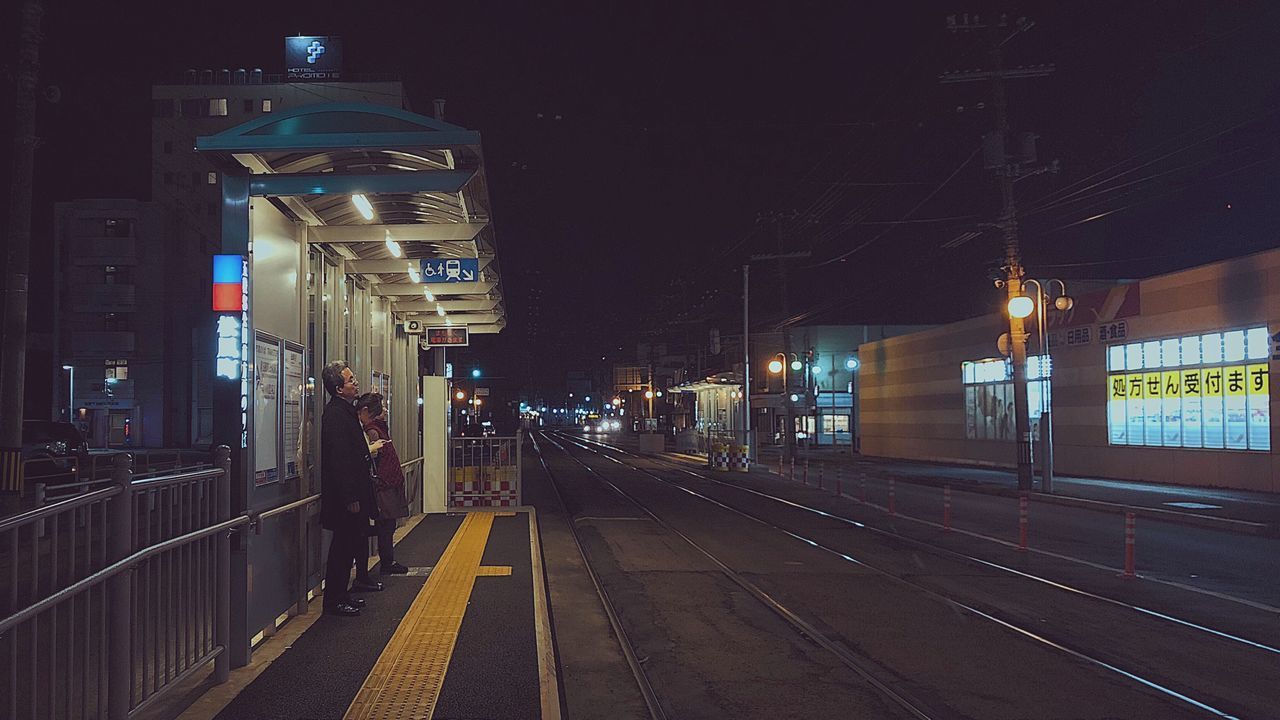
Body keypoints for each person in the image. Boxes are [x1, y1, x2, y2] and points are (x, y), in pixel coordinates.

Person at [319, 361, 382, 617]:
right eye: (350, 380)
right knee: (341, 550)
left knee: (347, 548)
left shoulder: (344, 410)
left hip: (352, 495)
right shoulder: (335, 414)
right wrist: (350, 497)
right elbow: (340, 459)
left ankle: (343, 595)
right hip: (346, 499)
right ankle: (334, 601)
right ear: (338, 388)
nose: (355, 383)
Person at [357, 393, 410, 574]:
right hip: (383, 485)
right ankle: (387, 562)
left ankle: (387, 561)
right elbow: (371, 460)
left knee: (388, 524)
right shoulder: (372, 431)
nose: (385, 410)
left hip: (387, 483)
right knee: (385, 524)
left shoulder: (379, 429)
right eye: (382, 407)